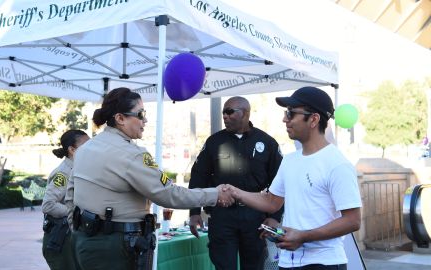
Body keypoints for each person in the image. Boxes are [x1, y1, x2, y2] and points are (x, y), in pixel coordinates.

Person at [69, 87, 234, 270]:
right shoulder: (131, 155)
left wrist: (77, 230)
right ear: (120, 118)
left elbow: (71, 195)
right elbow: (169, 194)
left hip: (84, 240)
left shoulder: (85, 149)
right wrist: (215, 194)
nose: (145, 120)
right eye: (140, 114)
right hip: (117, 248)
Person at [227, 86, 362, 270]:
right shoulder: (290, 160)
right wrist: (235, 192)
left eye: (291, 113)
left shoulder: (337, 164)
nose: (285, 119)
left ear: (314, 119)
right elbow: (272, 201)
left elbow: (353, 220)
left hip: (324, 264)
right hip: (287, 262)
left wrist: (304, 236)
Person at [188, 96, 283, 270]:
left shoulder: (267, 143)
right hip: (222, 215)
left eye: (230, 111)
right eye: (223, 112)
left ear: (245, 113)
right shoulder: (214, 142)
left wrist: (274, 217)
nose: (225, 116)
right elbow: (198, 176)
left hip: (255, 216)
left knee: (254, 266)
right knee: (224, 265)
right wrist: (194, 212)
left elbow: (280, 183)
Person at [42, 129, 90, 270]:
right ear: (72, 150)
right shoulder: (63, 173)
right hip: (61, 240)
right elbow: (48, 205)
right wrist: (76, 213)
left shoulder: (78, 169)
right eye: (86, 146)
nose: (91, 149)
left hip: (70, 237)